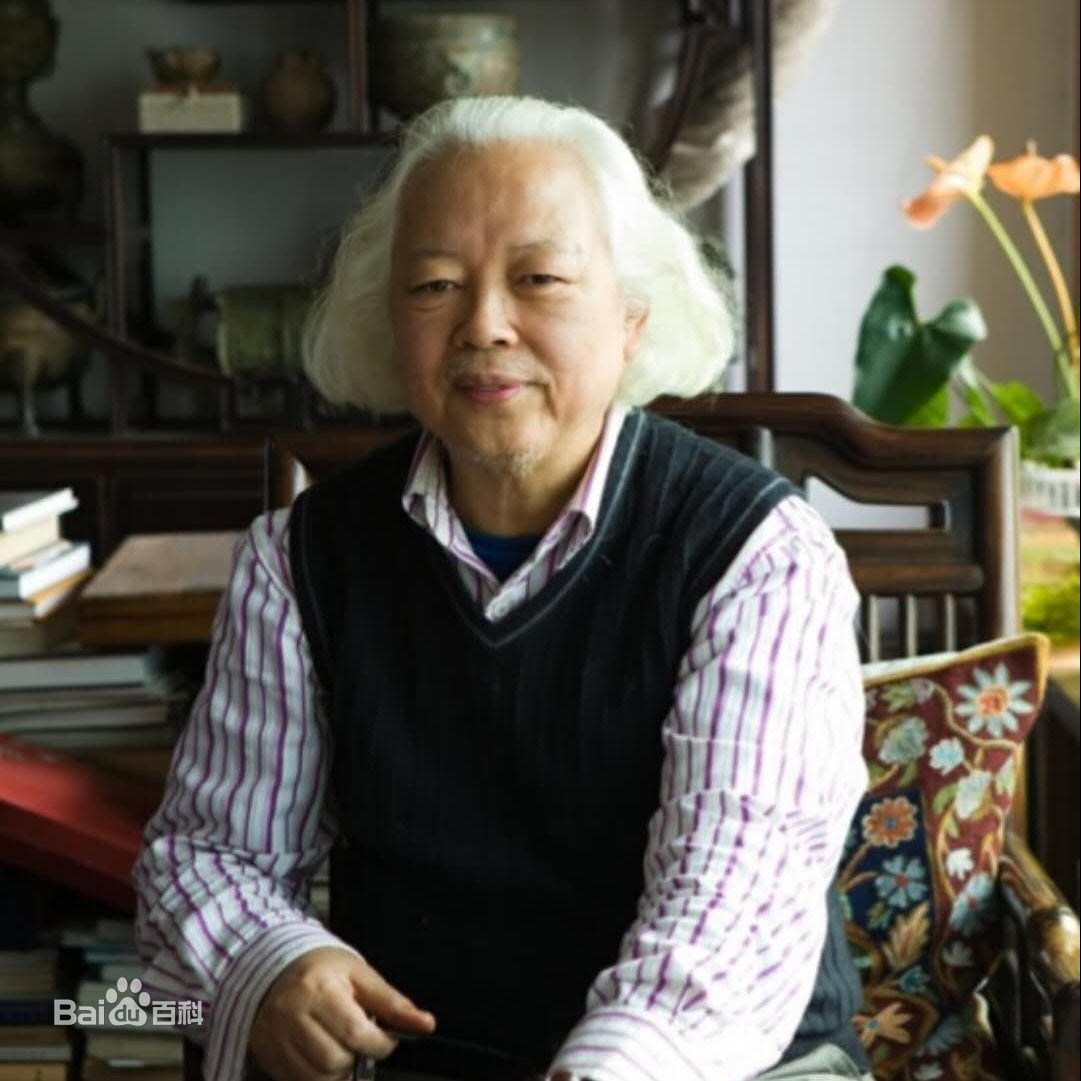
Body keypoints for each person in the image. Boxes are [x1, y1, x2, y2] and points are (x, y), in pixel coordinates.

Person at [132, 96, 869, 1081]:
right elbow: (205, 851)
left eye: (540, 279)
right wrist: (271, 962)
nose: (482, 325)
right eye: (434, 284)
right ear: (389, 319)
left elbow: (731, 911)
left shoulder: (756, 554)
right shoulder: (299, 558)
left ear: (631, 316)